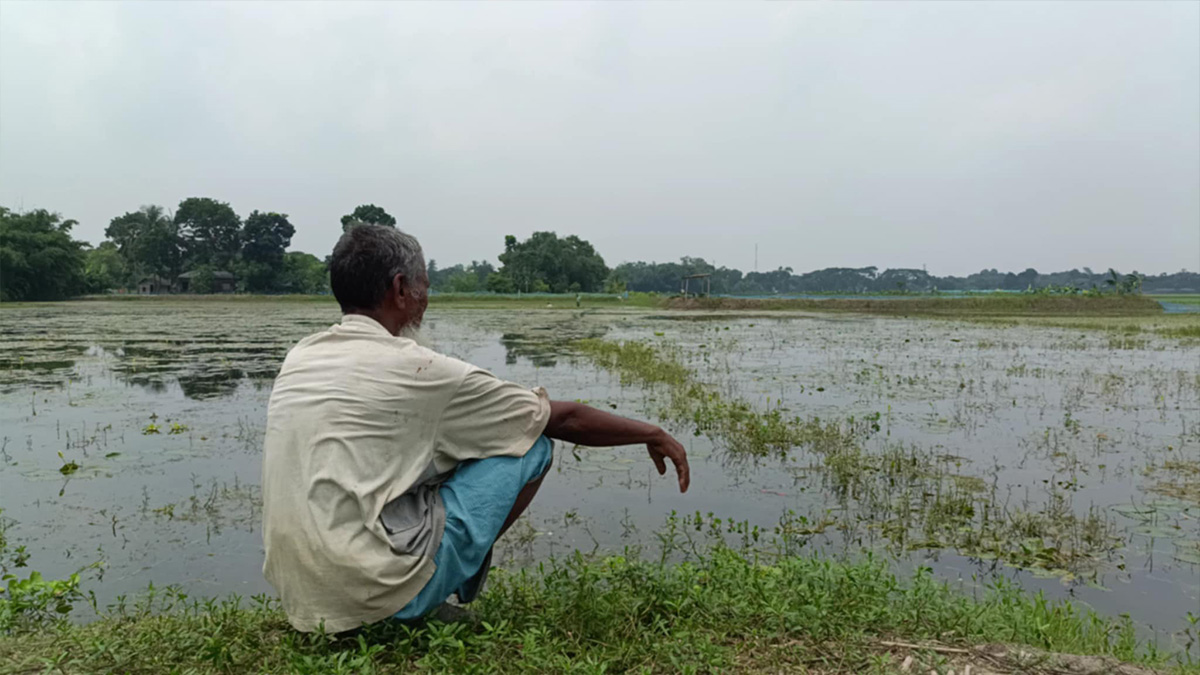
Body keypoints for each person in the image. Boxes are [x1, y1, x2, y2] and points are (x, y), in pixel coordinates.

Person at [261, 225, 690, 633]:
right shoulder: (419, 368)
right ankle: (430, 592)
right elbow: (561, 418)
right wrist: (652, 433)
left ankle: (404, 586)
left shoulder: (301, 357)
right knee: (532, 444)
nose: (427, 298)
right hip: (376, 599)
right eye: (425, 284)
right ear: (400, 288)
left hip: (303, 602)